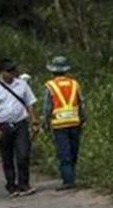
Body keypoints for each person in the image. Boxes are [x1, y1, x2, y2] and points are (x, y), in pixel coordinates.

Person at [0, 58, 40, 197]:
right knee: (7, 156)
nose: (12, 73)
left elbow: (30, 104)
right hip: (3, 125)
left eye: (13, 70)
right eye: (8, 71)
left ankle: (24, 184)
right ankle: (11, 185)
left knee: (23, 154)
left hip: (20, 123)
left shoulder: (22, 85)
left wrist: (34, 121)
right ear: (1, 72)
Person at [42, 56, 86, 190]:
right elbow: (81, 103)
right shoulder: (75, 84)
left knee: (63, 153)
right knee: (73, 151)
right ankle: (71, 176)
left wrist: (45, 122)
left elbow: (47, 107)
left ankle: (68, 180)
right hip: (74, 122)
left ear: (52, 71)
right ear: (66, 70)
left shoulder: (50, 85)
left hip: (59, 124)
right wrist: (83, 119)